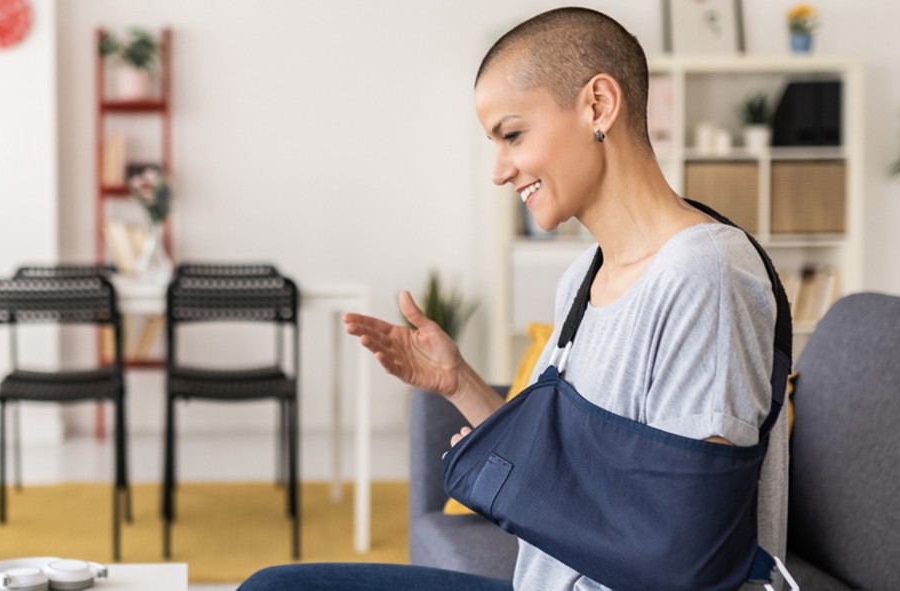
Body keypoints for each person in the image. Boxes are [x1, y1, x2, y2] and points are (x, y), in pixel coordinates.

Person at [240, 6, 788, 590]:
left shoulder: (705, 273)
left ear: (598, 105)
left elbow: (682, 548)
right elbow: (555, 470)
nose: (500, 171)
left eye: (512, 135)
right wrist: (459, 383)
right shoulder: (583, 279)